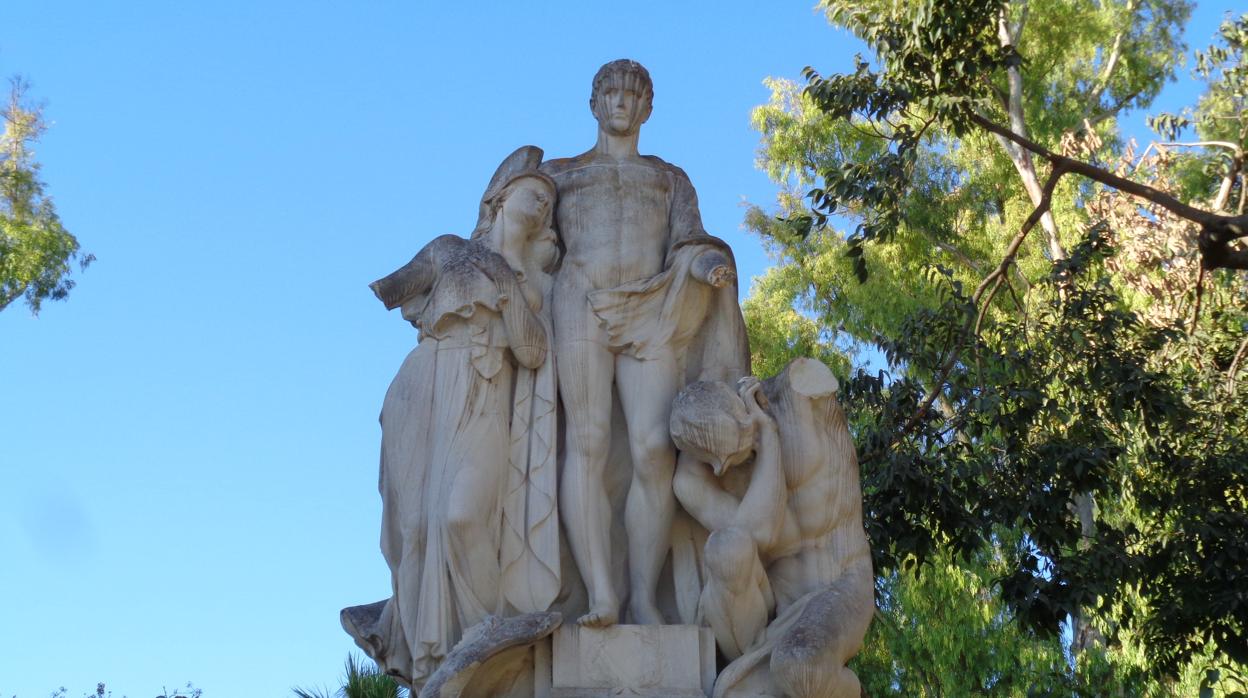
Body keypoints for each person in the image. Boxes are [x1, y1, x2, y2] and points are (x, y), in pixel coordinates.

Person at [341, 147, 561, 688]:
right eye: (535, 195)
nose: (542, 210)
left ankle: (486, 634)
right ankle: (426, 657)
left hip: (486, 387)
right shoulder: (448, 249)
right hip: (422, 381)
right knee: (412, 527)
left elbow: (533, 353)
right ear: (499, 197)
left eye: (549, 206)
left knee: (462, 516)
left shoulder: (531, 282)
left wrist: (510, 289)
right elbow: (393, 290)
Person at [541, 59, 750, 627]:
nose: (621, 104)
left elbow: (692, 240)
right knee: (585, 440)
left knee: (654, 450)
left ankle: (640, 598)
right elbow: (519, 236)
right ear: (594, 103)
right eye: (610, 93)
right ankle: (602, 595)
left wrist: (712, 265)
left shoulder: (668, 178)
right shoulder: (560, 175)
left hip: (653, 307)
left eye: (633, 96)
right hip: (580, 301)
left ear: (647, 108)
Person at [668, 358, 873, 698]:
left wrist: (767, 431)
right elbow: (760, 534)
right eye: (711, 460)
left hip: (840, 587)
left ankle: (845, 688)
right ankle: (764, 670)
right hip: (762, 616)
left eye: (726, 451)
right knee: (726, 548)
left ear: (741, 412)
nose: (719, 468)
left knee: (800, 669)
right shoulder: (693, 477)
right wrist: (768, 440)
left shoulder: (798, 392)